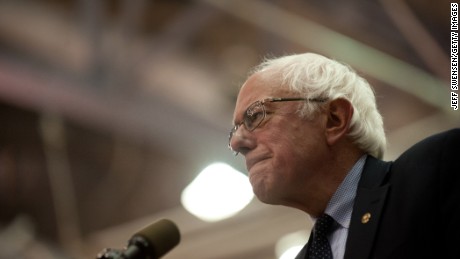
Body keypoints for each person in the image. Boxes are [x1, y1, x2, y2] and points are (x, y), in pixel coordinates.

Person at [228, 52, 460, 259]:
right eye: (235, 130)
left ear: (334, 119)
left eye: (256, 115)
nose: (237, 142)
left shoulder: (437, 171)